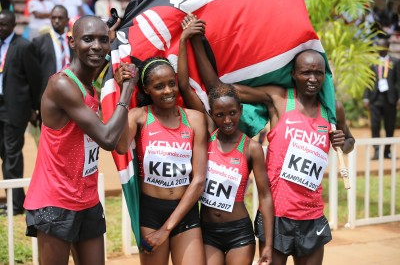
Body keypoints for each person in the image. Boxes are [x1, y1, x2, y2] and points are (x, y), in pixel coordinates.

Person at [184, 16, 355, 265]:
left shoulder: (332, 109)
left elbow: (349, 142)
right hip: (276, 215)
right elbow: (218, 88)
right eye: (306, 72)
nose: (312, 79)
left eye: (318, 73)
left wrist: (342, 140)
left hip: (312, 215)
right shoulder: (279, 99)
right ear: (294, 74)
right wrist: (198, 40)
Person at [23, 15, 137, 265]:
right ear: (71, 42)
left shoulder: (89, 85)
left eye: (102, 40)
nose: (96, 46)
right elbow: (108, 139)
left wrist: (110, 44)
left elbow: (97, 61)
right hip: (55, 200)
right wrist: (127, 91)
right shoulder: (62, 85)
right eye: (88, 39)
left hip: (86, 198)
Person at [177, 16, 274, 265]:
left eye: (232, 113)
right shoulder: (208, 134)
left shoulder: (251, 148)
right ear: (212, 115)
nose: (227, 120)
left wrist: (268, 246)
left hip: (239, 234)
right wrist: (185, 39)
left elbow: (265, 196)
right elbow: (184, 87)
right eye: (220, 115)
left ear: (240, 111)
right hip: (208, 232)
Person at [114, 57, 207, 265]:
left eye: (171, 83)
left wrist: (165, 230)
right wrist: (124, 91)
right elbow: (120, 147)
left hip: (185, 211)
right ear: (146, 90)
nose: (168, 91)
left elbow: (199, 180)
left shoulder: (194, 120)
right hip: (150, 213)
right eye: (159, 86)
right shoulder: (138, 116)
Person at [0, 10, 41, 215]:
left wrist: (35, 108)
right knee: (5, 155)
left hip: (15, 110)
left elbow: (35, 80)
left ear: (13, 24)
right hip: (0, 107)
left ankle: (16, 205)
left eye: (4, 25)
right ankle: (14, 198)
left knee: (12, 156)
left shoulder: (24, 46)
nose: (0, 28)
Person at [32, 5, 72, 128]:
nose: (56, 21)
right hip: (47, 96)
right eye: (53, 17)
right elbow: (34, 74)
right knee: (47, 134)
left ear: (67, 20)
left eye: (60, 18)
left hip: (71, 94)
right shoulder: (39, 42)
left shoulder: (73, 41)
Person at [363, 37, 400, 160]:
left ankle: (387, 151)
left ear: (387, 47)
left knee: (389, 126)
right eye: (377, 47)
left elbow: (398, 82)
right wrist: (366, 98)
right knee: (375, 126)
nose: (380, 49)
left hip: (390, 99)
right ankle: (377, 151)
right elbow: (368, 81)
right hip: (375, 99)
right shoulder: (372, 62)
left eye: (382, 46)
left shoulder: (395, 62)